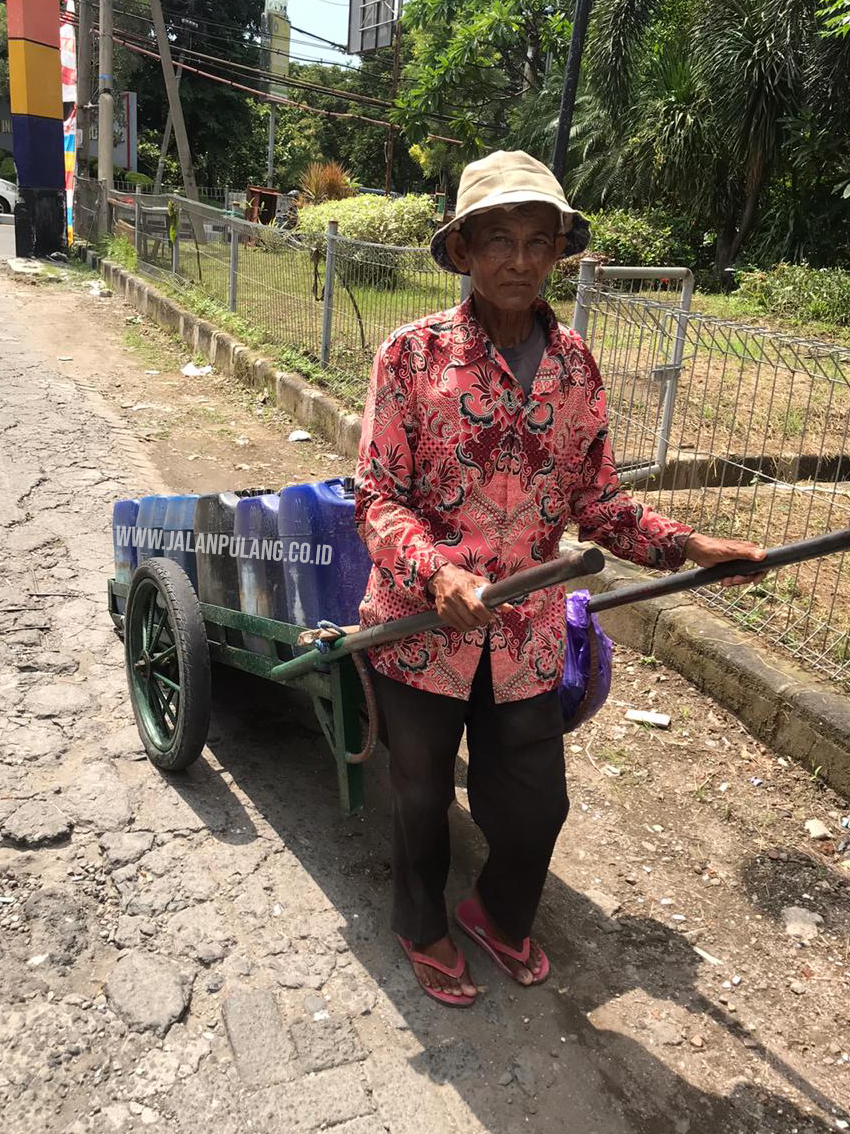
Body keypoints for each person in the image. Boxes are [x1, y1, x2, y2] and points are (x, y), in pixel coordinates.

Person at [353, 150, 767, 1008]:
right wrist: (437, 576)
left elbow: (597, 500)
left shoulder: (577, 365)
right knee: (421, 793)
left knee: (536, 802)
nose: (520, 260)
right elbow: (378, 497)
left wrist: (689, 547)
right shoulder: (412, 356)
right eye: (498, 239)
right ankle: (420, 918)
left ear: (558, 255)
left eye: (539, 241)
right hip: (421, 629)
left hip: (526, 633)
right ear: (463, 250)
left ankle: (497, 913)